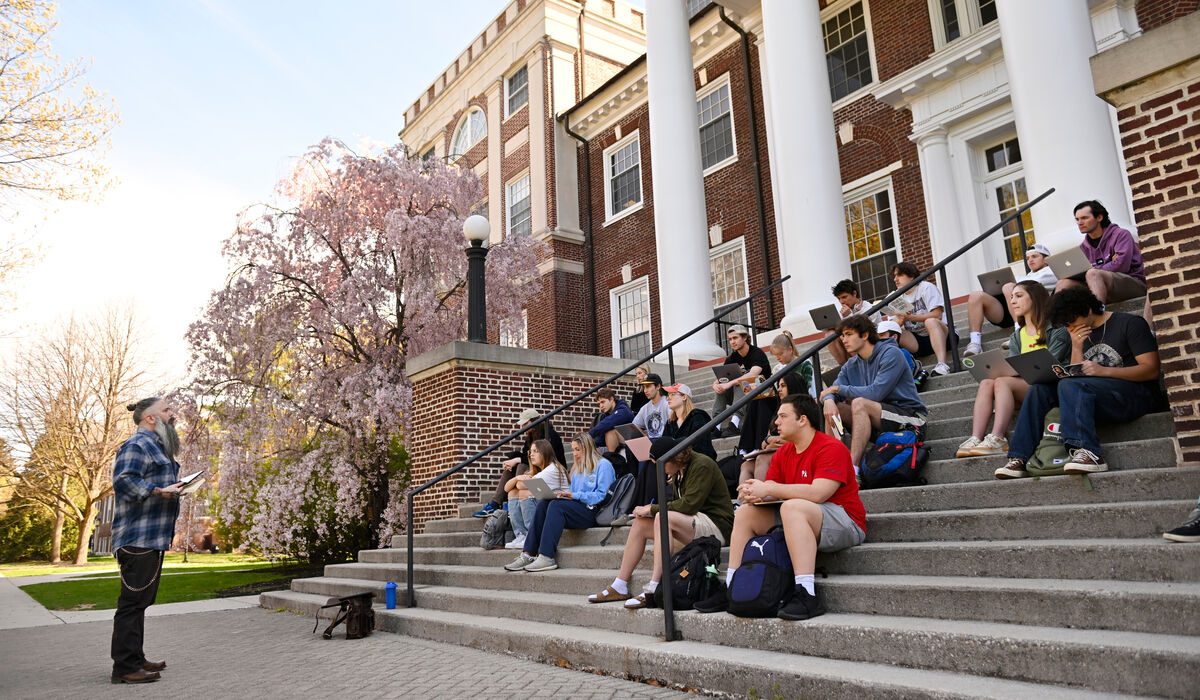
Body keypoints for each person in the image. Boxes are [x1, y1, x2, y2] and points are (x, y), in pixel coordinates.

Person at [693, 394, 866, 620]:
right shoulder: (784, 452)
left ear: (802, 420)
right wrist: (755, 493)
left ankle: (806, 592)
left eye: (783, 416)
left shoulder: (830, 447)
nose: (776, 422)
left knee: (792, 507)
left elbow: (819, 493)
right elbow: (772, 490)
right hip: (802, 517)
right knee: (746, 513)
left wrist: (769, 489)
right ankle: (731, 586)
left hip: (845, 521)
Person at [996, 287, 1160, 479]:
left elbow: (1152, 370)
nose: (1070, 327)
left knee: (1069, 385)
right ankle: (1019, 457)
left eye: (1072, 321)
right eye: (1065, 324)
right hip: (1094, 397)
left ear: (1089, 310)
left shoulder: (1130, 323)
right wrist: (1076, 345)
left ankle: (1089, 452)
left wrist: (1104, 371)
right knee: (1040, 389)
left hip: (1135, 396)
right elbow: (1076, 373)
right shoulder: (1078, 333)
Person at [586, 437, 733, 609]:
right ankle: (620, 584)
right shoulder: (679, 468)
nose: (660, 470)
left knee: (662, 516)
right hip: (696, 524)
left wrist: (652, 508)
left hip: (718, 527)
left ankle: (654, 587)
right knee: (640, 524)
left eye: (661, 465)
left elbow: (688, 505)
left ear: (674, 458)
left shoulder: (702, 465)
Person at [109, 397, 184, 684]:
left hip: (153, 538)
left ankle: (135, 658)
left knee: (141, 601)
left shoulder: (156, 447)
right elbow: (124, 480)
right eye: (166, 410)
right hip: (137, 537)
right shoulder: (137, 445)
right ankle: (124, 668)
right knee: (132, 602)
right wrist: (159, 491)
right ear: (150, 418)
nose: (171, 414)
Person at [958, 281, 1070, 457]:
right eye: (1011, 298)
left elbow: (1052, 368)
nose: (1013, 302)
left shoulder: (1057, 330)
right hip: (1024, 388)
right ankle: (975, 438)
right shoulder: (1017, 335)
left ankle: (998, 438)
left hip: (1048, 390)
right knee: (987, 382)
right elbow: (1015, 365)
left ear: (1035, 299)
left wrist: (1011, 374)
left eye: (1019, 296)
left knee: (1002, 382)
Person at [820, 315, 927, 469]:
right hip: (880, 421)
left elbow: (876, 393)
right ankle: (833, 467)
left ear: (864, 335)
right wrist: (829, 400)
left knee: (859, 403)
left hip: (910, 420)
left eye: (849, 334)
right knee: (835, 407)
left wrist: (837, 389)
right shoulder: (851, 364)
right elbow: (831, 392)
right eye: (842, 335)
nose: (843, 340)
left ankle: (853, 470)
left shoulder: (891, 354)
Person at [504, 432, 616, 572]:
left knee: (556, 506)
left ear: (587, 448)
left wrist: (574, 495)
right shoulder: (577, 469)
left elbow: (603, 496)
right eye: (573, 449)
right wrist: (564, 495)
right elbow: (574, 494)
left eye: (578, 450)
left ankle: (546, 556)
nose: (574, 454)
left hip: (594, 511)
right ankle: (528, 553)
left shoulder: (603, 465)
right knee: (546, 503)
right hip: (579, 508)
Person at [962, 243, 1058, 357]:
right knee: (976, 296)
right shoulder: (1026, 276)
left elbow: (1032, 285)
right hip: (1011, 310)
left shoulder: (1051, 272)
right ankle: (975, 342)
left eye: (1035, 256)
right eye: (1027, 258)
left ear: (1046, 259)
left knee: (1008, 286)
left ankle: (1018, 333)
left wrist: (1010, 284)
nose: (1030, 260)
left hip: (1032, 311)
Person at [474, 409, 565, 518]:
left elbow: (545, 458)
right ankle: (495, 503)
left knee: (521, 464)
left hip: (549, 470)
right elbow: (526, 455)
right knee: (511, 468)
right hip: (536, 468)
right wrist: (514, 460)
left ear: (533, 421)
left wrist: (518, 460)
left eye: (525, 424)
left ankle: (513, 501)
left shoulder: (550, 435)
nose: (523, 427)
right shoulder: (531, 436)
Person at [1055, 200, 1146, 306]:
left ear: (1099, 217)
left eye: (1084, 218)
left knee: (1092, 273)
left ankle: (1097, 315)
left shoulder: (1121, 235)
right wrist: (1109, 264)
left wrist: (1093, 269)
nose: (1080, 223)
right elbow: (1109, 267)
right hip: (1098, 286)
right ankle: (1060, 320)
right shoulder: (1083, 248)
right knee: (1063, 283)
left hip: (1133, 283)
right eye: (1077, 219)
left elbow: (1122, 266)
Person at [712, 325, 778, 456]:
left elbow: (753, 374)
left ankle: (734, 423)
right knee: (723, 385)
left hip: (761, 396)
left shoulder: (757, 353)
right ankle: (716, 425)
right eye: (730, 339)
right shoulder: (732, 358)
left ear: (745, 338)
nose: (732, 342)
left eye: (735, 338)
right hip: (742, 398)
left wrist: (729, 383)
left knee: (742, 380)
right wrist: (716, 385)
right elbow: (721, 378)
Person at [889, 261, 956, 376]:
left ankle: (942, 364)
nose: (895, 279)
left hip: (945, 336)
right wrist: (901, 320)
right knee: (894, 331)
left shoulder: (926, 287)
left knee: (930, 321)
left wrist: (910, 317)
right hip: (919, 342)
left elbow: (937, 315)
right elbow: (891, 325)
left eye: (899, 275)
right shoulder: (896, 296)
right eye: (894, 276)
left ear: (911, 276)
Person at [739, 373, 806, 486]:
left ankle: (762, 498)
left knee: (762, 458)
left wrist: (774, 440)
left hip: (794, 452)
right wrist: (769, 440)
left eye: (783, 386)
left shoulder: (803, 408)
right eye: (778, 386)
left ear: (793, 385)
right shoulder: (779, 410)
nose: (779, 389)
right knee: (746, 465)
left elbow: (802, 438)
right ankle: (744, 499)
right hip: (776, 451)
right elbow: (766, 441)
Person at [503, 439, 569, 551]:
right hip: (547, 503)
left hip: (559, 506)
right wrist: (517, 477)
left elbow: (521, 486)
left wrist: (518, 481)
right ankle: (521, 535)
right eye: (530, 452)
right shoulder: (538, 471)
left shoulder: (552, 469)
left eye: (535, 451)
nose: (531, 455)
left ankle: (531, 535)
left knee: (524, 492)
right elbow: (507, 488)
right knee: (512, 492)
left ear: (544, 452)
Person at [828, 279, 881, 366]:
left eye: (844, 297)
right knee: (830, 334)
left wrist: (848, 316)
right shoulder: (844, 312)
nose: (841, 302)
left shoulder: (869, 308)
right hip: (853, 348)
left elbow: (862, 332)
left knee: (849, 334)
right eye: (839, 299)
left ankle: (860, 365)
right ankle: (846, 367)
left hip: (871, 343)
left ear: (854, 294)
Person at [661, 383, 716, 460]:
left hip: (699, 464)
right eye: (668, 395)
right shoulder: (670, 422)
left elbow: (702, 449)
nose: (668, 398)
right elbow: (664, 446)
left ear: (684, 397)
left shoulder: (697, 417)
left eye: (672, 394)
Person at [769, 331, 814, 399]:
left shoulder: (804, 363)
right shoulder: (777, 368)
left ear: (790, 349)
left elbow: (811, 388)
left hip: (803, 401)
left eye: (780, 354)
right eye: (775, 355)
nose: (777, 358)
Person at [588, 387, 634, 454]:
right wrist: (590, 444)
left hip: (631, 442)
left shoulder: (623, 410)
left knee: (610, 432)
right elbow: (601, 439)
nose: (601, 406)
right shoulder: (606, 415)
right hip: (614, 444)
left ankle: (612, 458)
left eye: (603, 402)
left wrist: (588, 435)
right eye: (599, 404)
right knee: (587, 450)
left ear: (611, 399)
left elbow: (608, 423)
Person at [632, 373, 670, 440]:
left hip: (664, 441)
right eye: (644, 387)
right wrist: (644, 437)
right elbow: (634, 426)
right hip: (651, 441)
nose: (645, 391)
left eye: (648, 386)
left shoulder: (667, 403)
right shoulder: (645, 408)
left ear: (658, 386)